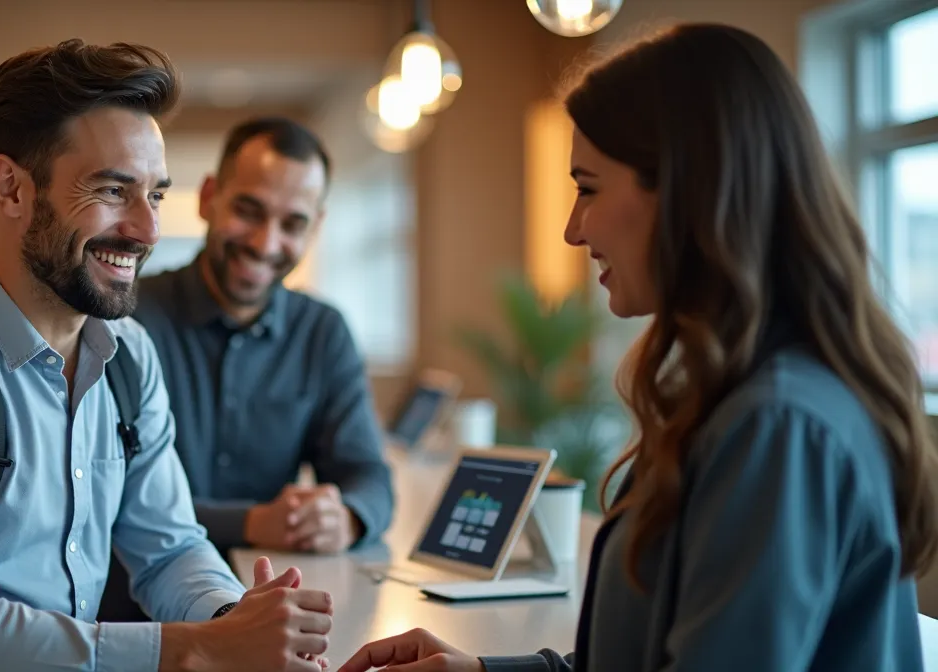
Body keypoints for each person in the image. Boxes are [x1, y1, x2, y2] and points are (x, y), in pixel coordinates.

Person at [338, 22, 938, 672]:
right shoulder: (738, 397)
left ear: (688, 190)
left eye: (588, 187)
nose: (573, 230)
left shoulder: (776, 424)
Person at [0, 39, 334, 672]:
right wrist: (203, 646)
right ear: (11, 189)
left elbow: (170, 550)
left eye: (155, 196)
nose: (147, 230)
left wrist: (238, 622)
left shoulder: (128, 357)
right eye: (114, 191)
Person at [134, 117, 393, 554]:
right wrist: (251, 524)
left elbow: (368, 474)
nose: (265, 243)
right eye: (248, 211)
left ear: (315, 228)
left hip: (272, 581)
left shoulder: (323, 332)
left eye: (293, 224)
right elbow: (112, 496)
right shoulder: (130, 317)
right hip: (140, 587)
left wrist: (345, 517)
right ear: (208, 198)